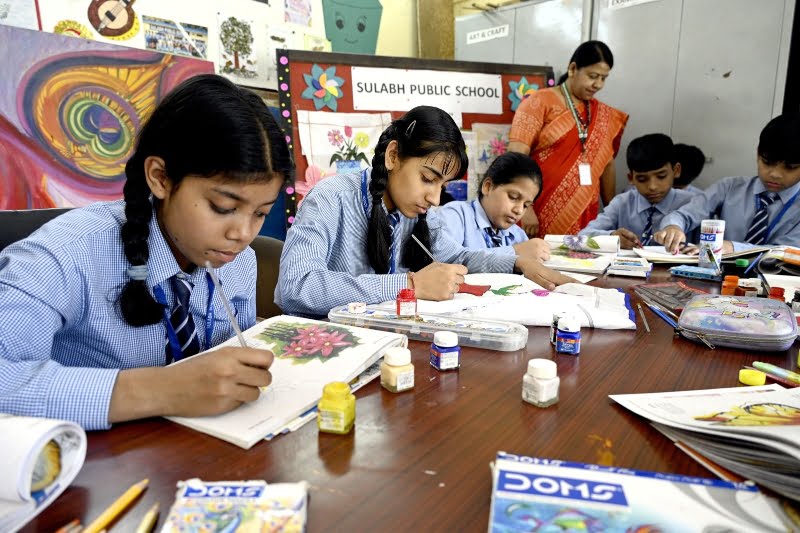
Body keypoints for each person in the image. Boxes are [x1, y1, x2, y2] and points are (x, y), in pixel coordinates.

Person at [0, 74, 293, 429]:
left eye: (261, 213)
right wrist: (161, 389)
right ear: (160, 177)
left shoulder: (239, 261)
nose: (243, 234)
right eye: (223, 207)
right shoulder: (63, 256)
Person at [276, 106, 573, 317]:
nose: (434, 198)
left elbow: (458, 257)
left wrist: (516, 263)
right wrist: (410, 284)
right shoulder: (331, 199)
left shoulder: (420, 215)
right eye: (428, 179)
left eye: (442, 186)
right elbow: (295, 286)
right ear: (393, 156)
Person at [508, 40, 629, 238]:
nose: (598, 84)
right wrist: (523, 207)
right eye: (592, 76)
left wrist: (613, 214)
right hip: (537, 213)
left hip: (586, 220)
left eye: (603, 78)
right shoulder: (539, 102)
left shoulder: (604, 115)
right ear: (573, 69)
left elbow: (607, 164)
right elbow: (515, 156)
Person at [656, 112, 800, 254]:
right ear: (757, 153)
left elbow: (788, 252)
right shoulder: (730, 187)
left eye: (790, 167)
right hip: (717, 268)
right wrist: (673, 226)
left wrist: (732, 248)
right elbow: (687, 213)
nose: (775, 174)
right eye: (767, 162)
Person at [579, 134, 694, 249]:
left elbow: (704, 243)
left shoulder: (692, 203)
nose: (652, 187)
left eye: (661, 176)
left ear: (676, 171)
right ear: (631, 178)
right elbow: (582, 236)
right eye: (642, 179)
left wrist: (698, 248)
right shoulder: (622, 203)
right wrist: (612, 237)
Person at [437, 152, 550, 261]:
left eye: (526, 205)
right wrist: (514, 252)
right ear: (488, 187)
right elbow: (445, 258)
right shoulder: (456, 215)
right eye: (513, 197)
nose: (519, 210)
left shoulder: (518, 236)